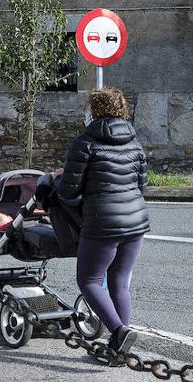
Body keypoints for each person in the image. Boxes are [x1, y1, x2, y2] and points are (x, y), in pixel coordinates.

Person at [54, 87, 149, 355]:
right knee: (118, 281)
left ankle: (119, 332)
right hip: (137, 221)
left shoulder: (83, 143)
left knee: (89, 281)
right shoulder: (134, 142)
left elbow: (67, 192)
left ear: (93, 111)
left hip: (102, 222)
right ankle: (120, 348)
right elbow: (142, 185)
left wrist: (57, 177)